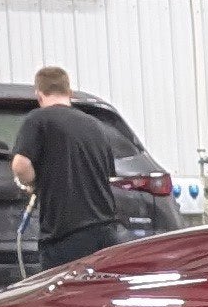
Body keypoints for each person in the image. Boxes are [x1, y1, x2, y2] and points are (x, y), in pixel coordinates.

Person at [7, 68, 122, 273]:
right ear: (70, 93)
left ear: (39, 94)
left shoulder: (38, 120)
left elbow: (20, 164)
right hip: (105, 233)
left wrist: (31, 183)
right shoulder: (95, 125)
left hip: (66, 237)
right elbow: (107, 175)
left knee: (64, 300)